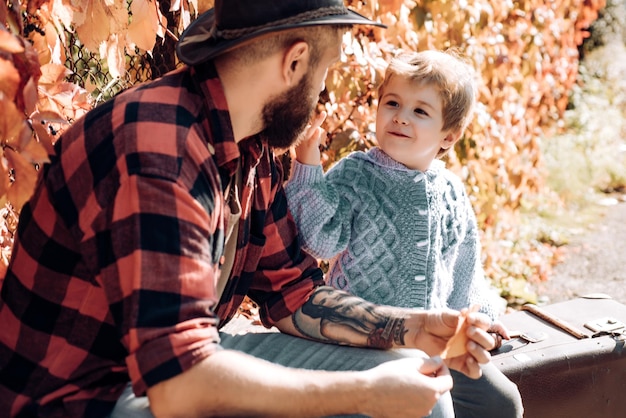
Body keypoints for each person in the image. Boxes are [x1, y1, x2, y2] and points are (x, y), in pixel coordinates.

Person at [0, 2, 500, 417]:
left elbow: (293, 289)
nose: (324, 92)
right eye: (325, 72)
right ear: (296, 62)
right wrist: (366, 393)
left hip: (182, 366)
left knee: (419, 386)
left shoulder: (248, 148)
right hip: (88, 397)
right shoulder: (157, 150)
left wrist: (412, 327)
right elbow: (178, 385)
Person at [285, 49, 524, 417]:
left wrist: (480, 319)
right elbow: (319, 239)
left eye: (420, 111)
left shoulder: (451, 192)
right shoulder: (357, 174)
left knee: (500, 403)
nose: (400, 117)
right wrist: (307, 167)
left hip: (435, 343)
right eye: (392, 103)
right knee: (424, 406)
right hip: (365, 342)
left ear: (448, 136)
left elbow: (464, 271)